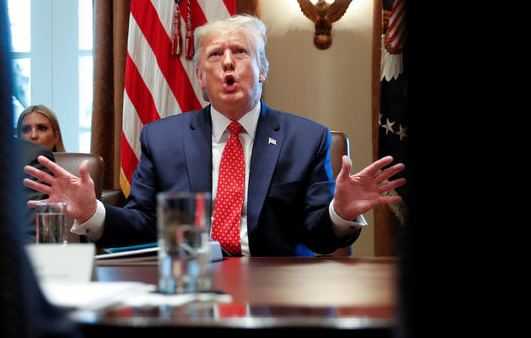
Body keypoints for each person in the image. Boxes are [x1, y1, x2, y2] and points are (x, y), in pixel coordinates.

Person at [25, 14, 405, 256]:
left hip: (277, 291)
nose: (227, 62)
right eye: (214, 55)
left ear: (262, 71)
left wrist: (340, 213)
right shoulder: (162, 139)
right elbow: (142, 224)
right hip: (188, 284)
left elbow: (317, 235)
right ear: (200, 77)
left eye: (240, 52)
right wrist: (94, 213)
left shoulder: (307, 138)